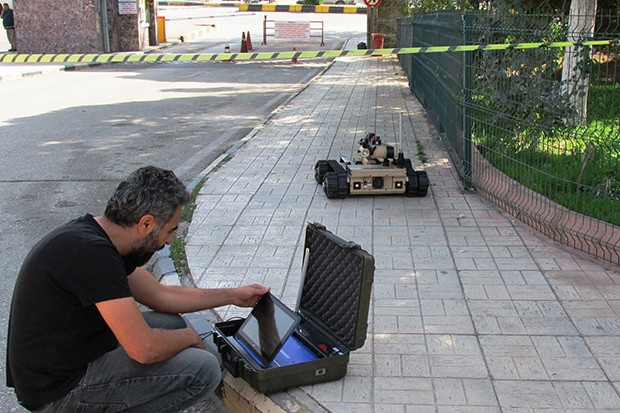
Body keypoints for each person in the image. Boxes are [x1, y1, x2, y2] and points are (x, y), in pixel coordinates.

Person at [6, 166, 270, 412]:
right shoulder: (93, 256)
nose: (169, 242)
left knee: (169, 324)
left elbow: (161, 295)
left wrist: (233, 295)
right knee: (203, 369)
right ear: (146, 223)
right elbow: (144, 348)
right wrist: (191, 338)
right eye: (169, 231)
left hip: (68, 360)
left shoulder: (97, 237)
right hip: (57, 393)